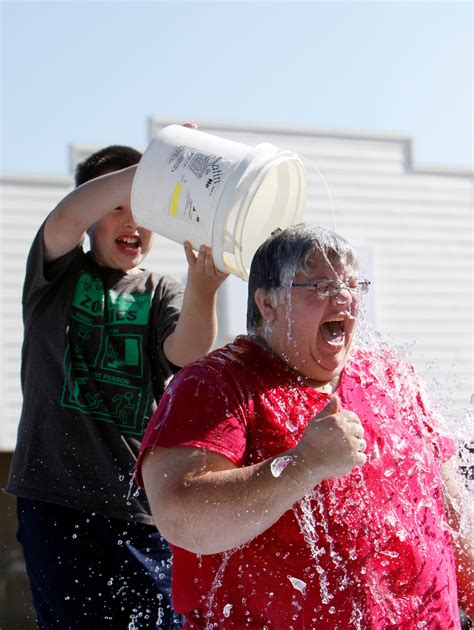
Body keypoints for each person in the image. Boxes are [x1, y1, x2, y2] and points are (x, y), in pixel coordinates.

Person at [137, 225, 473, 628]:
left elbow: (452, 511)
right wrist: (303, 464)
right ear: (268, 304)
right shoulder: (215, 384)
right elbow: (180, 515)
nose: (344, 296)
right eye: (319, 284)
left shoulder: (391, 377)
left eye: (352, 283)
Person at [6, 136, 227, 629]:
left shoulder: (160, 289)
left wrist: (205, 288)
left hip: (138, 509)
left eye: (145, 209)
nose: (132, 222)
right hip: (54, 501)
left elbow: (188, 355)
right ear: (92, 215)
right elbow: (64, 218)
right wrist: (163, 165)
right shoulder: (56, 276)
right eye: (118, 207)